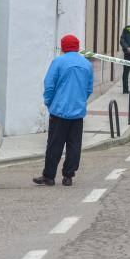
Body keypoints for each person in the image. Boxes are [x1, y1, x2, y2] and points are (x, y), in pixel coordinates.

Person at [33, 35, 93, 187]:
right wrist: (79, 102)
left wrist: (49, 102)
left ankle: (49, 176)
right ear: (77, 47)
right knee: (74, 144)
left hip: (59, 111)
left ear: (63, 47)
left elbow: (49, 84)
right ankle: (68, 176)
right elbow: (89, 89)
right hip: (78, 112)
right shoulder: (86, 64)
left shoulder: (58, 62)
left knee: (54, 144)